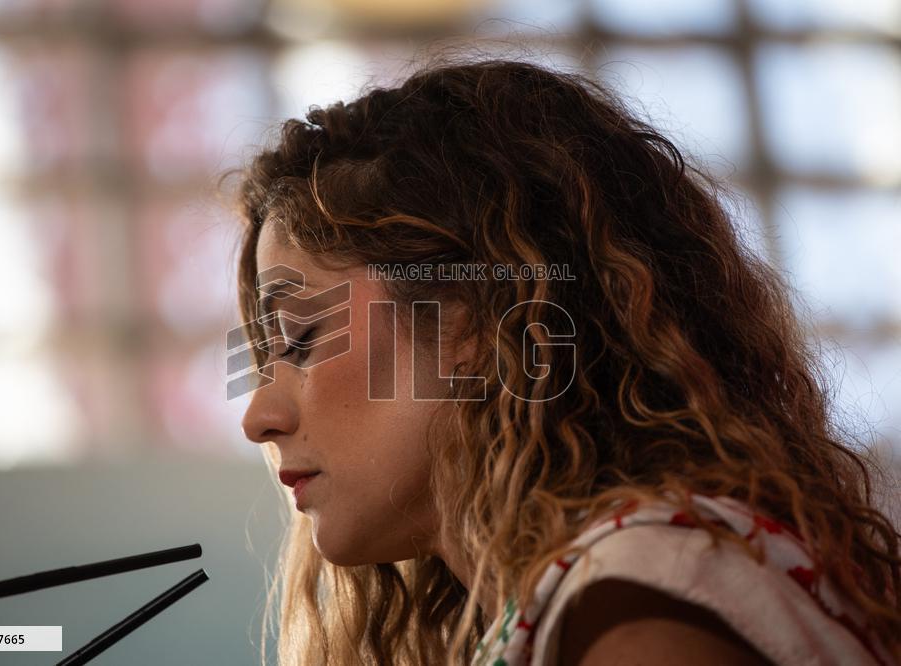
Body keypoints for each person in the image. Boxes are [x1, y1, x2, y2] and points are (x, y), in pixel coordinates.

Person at [227, 57, 901, 665]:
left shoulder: (632, 621)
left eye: (302, 339)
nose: (259, 416)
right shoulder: (596, 599)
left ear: (478, 323)